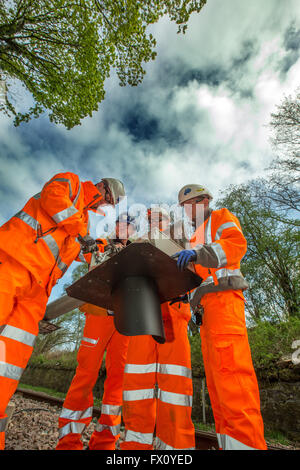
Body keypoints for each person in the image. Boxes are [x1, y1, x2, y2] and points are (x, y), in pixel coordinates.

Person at [0, 172, 125, 450]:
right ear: (102, 186)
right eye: (107, 198)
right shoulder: (72, 183)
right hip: (13, 262)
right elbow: (52, 199)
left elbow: (86, 251)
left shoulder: (79, 222)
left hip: (37, 292)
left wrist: (109, 248)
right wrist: (83, 234)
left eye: (108, 204)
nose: (103, 205)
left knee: (10, 361)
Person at [173, 184, 267, 450]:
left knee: (233, 383)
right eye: (184, 208)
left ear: (204, 200)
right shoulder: (194, 238)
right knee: (218, 388)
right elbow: (197, 277)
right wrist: (183, 293)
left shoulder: (221, 217)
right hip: (207, 312)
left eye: (190, 205)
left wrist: (198, 254)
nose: (187, 212)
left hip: (225, 304)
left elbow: (236, 245)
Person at [56, 213, 136, 450]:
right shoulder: (100, 244)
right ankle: (69, 441)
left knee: (118, 380)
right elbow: (80, 250)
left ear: (132, 231)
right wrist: (84, 238)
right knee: (86, 374)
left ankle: (105, 442)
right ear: (115, 227)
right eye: (121, 223)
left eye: (128, 226)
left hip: (124, 320)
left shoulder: (137, 254)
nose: (124, 228)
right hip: (98, 313)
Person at [120, 207, 195, 451]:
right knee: (136, 384)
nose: (153, 221)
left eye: (157, 217)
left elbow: (193, 267)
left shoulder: (180, 234)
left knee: (175, 387)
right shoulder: (137, 243)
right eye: (149, 218)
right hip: (141, 316)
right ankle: (134, 446)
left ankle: (175, 448)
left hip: (173, 313)